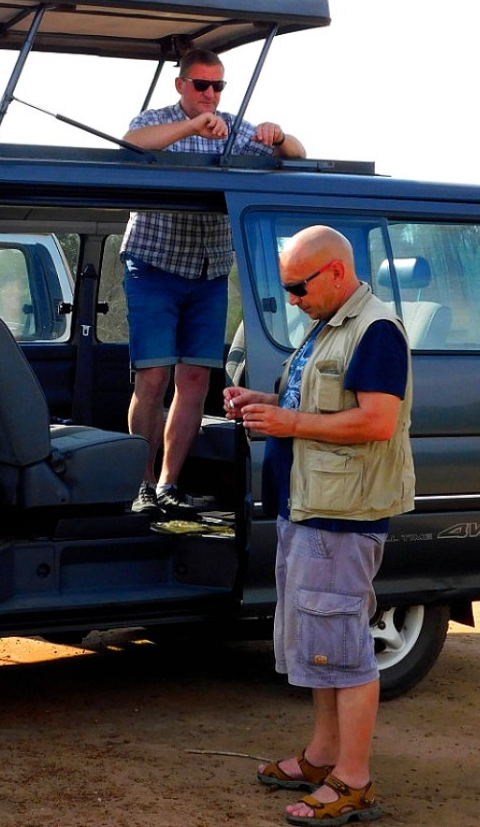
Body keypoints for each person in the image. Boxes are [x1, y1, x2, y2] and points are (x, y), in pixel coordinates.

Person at [223, 225, 414, 824]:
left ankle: (354, 780)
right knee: (320, 646)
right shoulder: (329, 325)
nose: (294, 300)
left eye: (299, 287)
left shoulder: (376, 329)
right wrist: (263, 402)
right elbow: (318, 407)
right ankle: (322, 756)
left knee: (343, 647)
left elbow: (377, 422)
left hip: (341, 515)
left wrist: (286, 423)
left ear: (334, 271)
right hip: (309, 507)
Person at [122, 49, 306, 517]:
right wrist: (192, 128)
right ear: (181, 85)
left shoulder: (236, 129)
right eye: (201, 85)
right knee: (153, 377)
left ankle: (169, 484)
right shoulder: (158, 120)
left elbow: (300, 155)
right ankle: (140, 484)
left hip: (208, 271)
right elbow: (133, 141)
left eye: (218, 87)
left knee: (196, 380)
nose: (210, 95)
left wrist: (277, 136)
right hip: (154, 265)